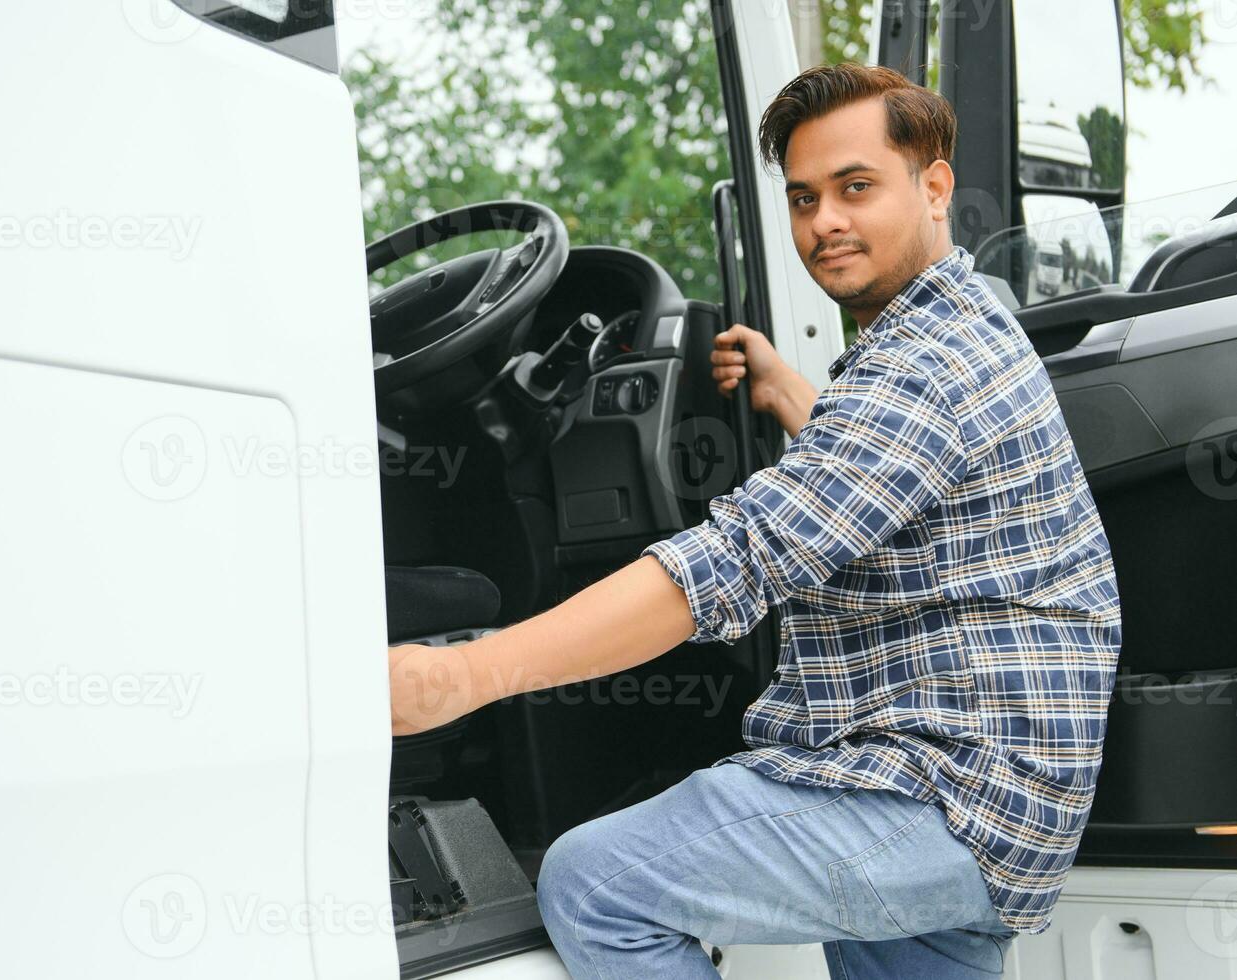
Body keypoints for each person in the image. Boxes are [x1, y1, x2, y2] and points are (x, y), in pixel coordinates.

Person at [388, 62, 1121, 979]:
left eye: (856, 188)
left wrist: (462, 675)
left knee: (593, 883)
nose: (824, 223)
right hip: (984, 788)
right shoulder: (949, 329)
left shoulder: (924, 362)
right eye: (804, 197)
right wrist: (787, 392)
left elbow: (738, 558)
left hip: (934, 793)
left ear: (934, 187)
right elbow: (875, 481)